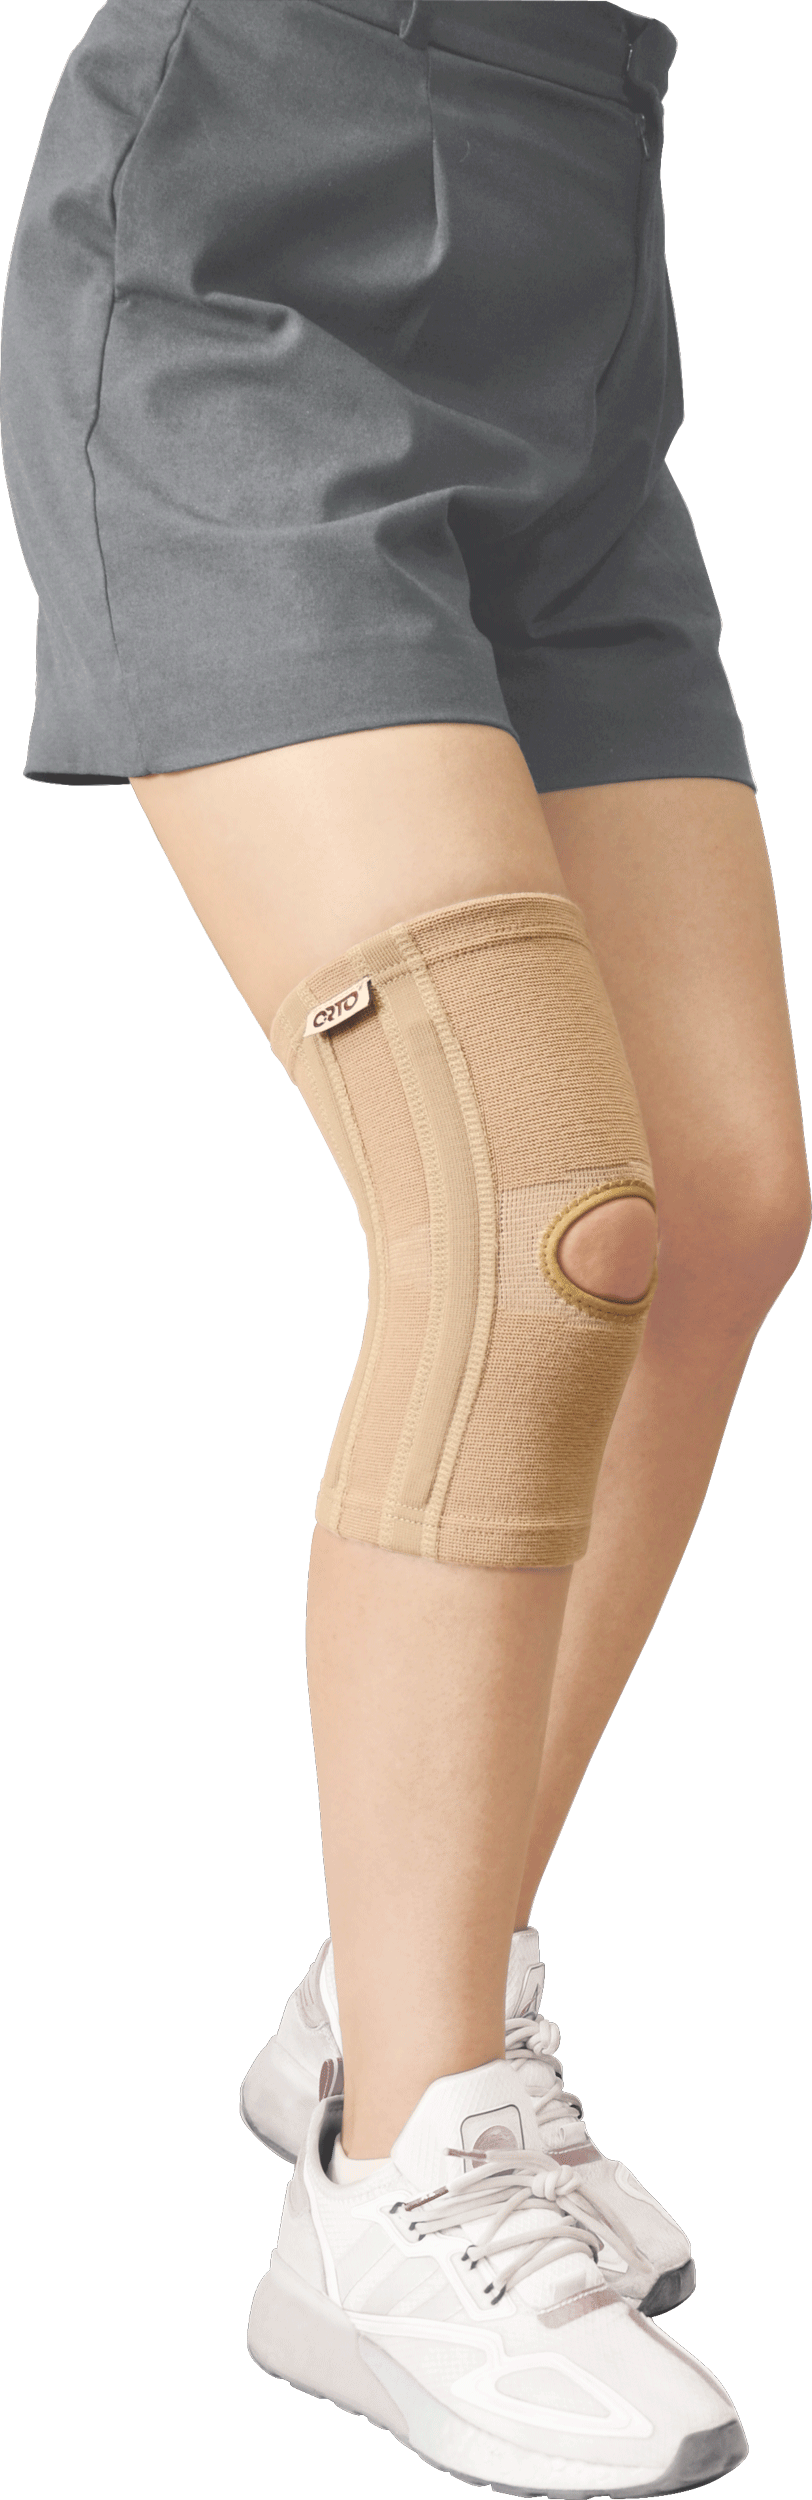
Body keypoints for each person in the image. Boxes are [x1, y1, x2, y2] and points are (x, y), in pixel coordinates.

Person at [2, 2, 808, 2491]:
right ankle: (393, 2173)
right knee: (532, 1208)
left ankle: (382, 1993)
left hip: (573, 274)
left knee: (719, 1202)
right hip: (257, 253)